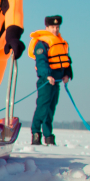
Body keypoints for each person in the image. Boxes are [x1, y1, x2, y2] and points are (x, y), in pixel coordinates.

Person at [29, 15, 73, 145]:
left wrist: (67, 74)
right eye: (53, 27)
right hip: (46, 82)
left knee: (51, 109)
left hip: (57, 81)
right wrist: (47, 75)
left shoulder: (61, 42)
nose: (55, 29)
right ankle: (36, 133)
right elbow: (41, 61)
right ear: (47, 27)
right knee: (42, 108)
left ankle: (48, 136)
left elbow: (66, 61)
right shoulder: (42, 43)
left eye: (57, 27)